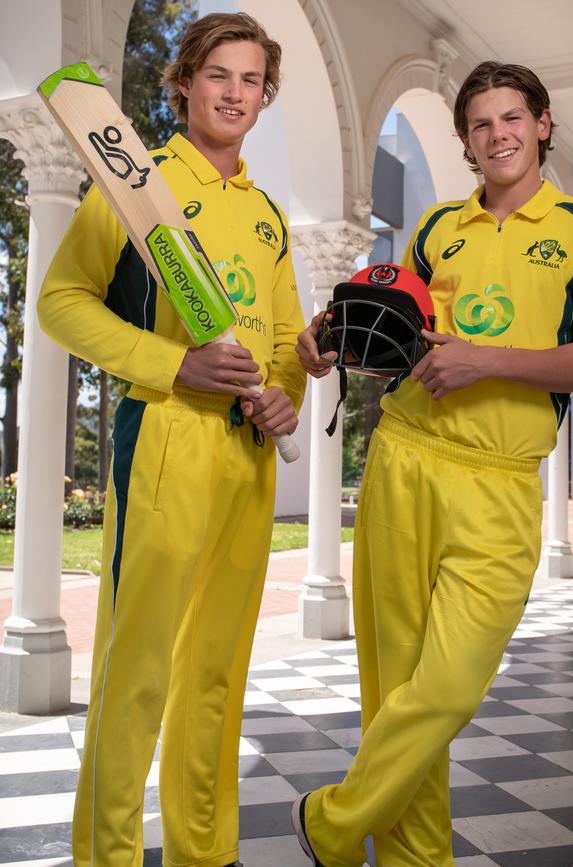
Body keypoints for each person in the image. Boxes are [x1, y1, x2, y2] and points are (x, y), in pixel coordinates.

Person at [292, 61, 573, 867]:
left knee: (447, 687)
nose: (497, 134)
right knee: (395, 686)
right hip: (407, 459)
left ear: (542, 123)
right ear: (466, 141)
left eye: (512, 117)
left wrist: (488, 361)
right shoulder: (438, 226)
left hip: (502, 484)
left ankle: (334, 820)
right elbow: (402, 338)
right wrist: (330, 340)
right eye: (480, 124)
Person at [38, 12, 305, 867]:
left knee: (216, 675)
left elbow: (285, 344)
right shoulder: (132, 180)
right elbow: (63, 301)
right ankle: (105, 855)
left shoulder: (268, 216)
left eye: (251, 80)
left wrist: (285, 399)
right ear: (184, 82)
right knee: (139, 669)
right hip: (163, 441)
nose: (235, 93)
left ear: (266, 96)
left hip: (249, 460)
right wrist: (169, 365)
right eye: (218, 74)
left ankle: (207, 850)